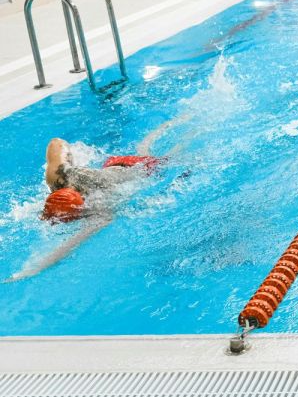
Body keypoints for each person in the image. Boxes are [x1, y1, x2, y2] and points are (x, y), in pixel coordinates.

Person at [11, 117, 187, 282]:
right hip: (115, 164)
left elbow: (73, 242)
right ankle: (171, 124)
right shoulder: (60, 177)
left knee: (169, 153)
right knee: (144, 147)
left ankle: (183, 130)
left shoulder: (100, 206)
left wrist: (34, 269)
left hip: (143, 169)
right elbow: (56, 143)